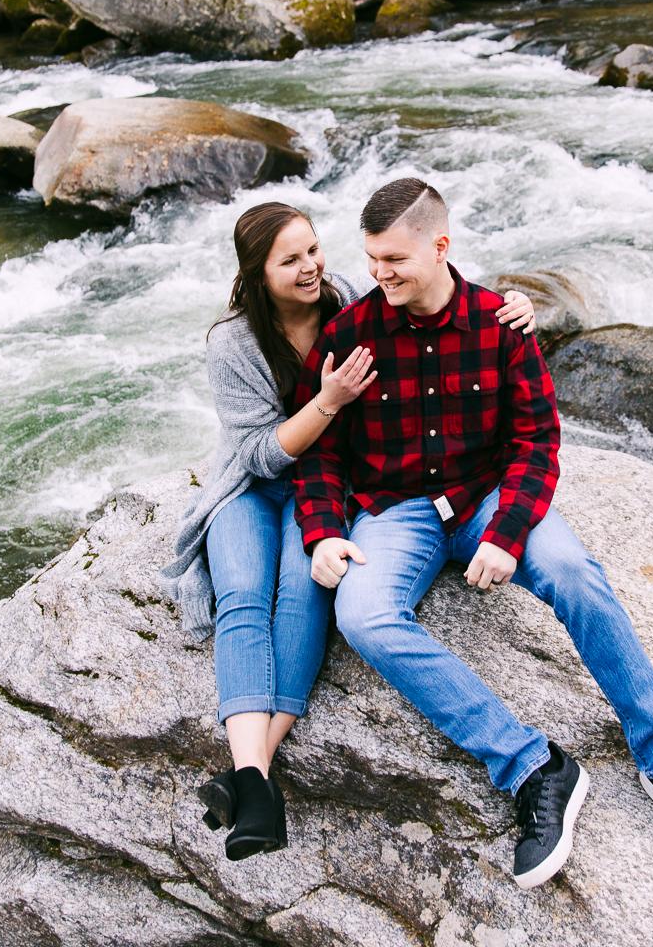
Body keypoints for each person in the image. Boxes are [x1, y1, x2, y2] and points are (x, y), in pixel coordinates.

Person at [292, 178, 653, 890]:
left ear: (440, 247)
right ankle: (535, 767)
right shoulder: (351, 332)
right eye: (371, 259)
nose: (378, 276)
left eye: (394, 261)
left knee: (573, 573)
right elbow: (318, 449)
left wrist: (506, 534)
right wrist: (322, 532)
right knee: (363, 615)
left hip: (486, 497)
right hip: (397, 511)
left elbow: (538, 439)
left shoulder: (501, 325)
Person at [160, 201, 536, 862]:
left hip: (329, 487)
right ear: (256, 272)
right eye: (289, 260)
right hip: (255, 486)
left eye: (312, 250)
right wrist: (328, 401)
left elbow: (432, 286)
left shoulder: (353, 301)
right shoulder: (235, 342)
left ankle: (249, 779)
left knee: (307, 595)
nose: (310, 268)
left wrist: (515, 306)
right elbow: (259, 456)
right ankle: (256, 782)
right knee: (244, 598)